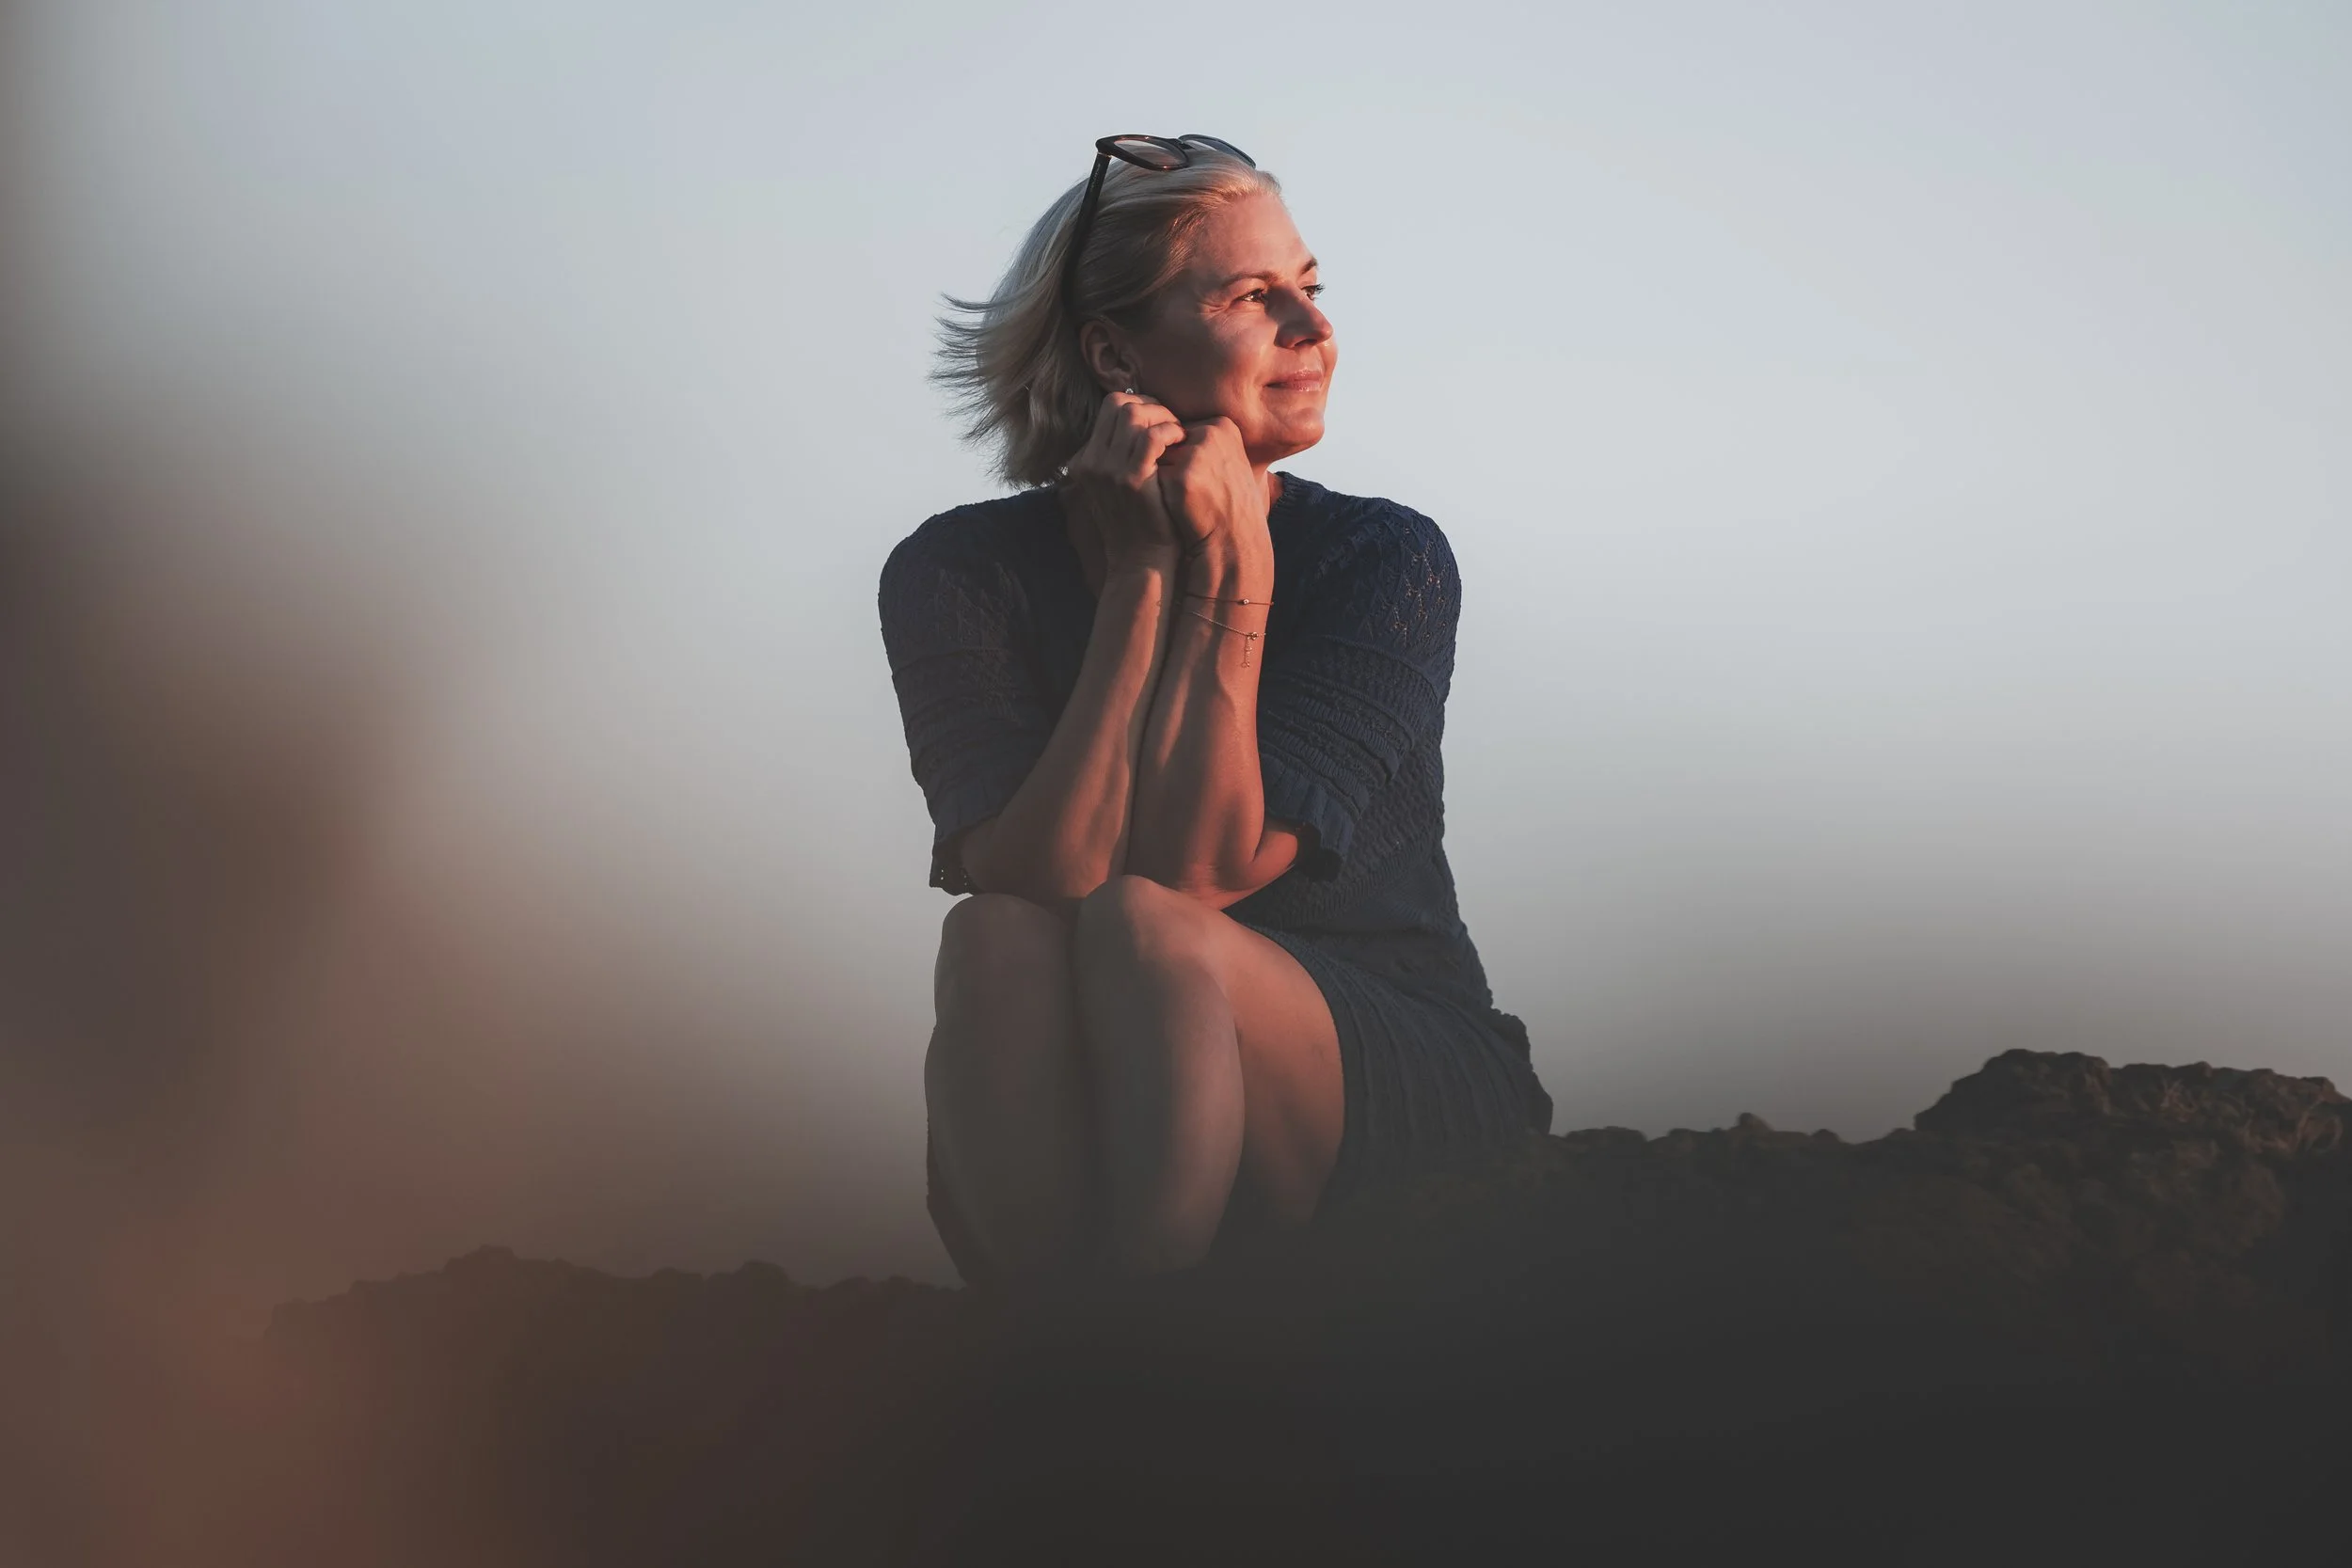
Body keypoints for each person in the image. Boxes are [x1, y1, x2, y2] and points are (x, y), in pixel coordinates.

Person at [878, 134, 1552, 1294]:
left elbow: (1199, 871)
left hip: (1389, 1061)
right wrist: (1145, 575)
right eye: (1253, 295)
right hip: (1105, 1074)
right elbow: (1038, 876)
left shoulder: (1380, 558)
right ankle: (1047, 1356)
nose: (1313, 327)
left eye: (1312, 286)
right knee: (991, 933)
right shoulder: (957, 573)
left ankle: (1145, 1350)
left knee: (1150, 927)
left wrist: (1234, 562)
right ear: (1112, 351)